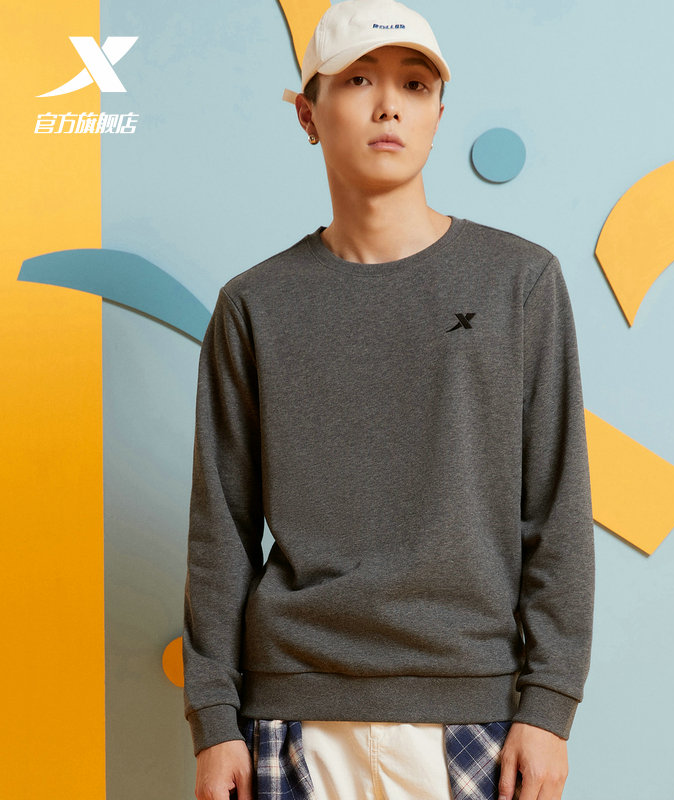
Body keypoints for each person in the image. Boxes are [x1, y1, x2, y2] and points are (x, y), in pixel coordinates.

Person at [183, 1, 594, 798]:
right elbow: (221, 530)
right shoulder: (254, 305)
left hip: (473, 712)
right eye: (358, 81)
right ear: (307, 115)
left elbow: (557, 505)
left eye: (414, 84)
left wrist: (549, 705)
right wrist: (214, 719)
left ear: (439, 112)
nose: (388, 106)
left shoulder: (520, 282)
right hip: (291, 710)